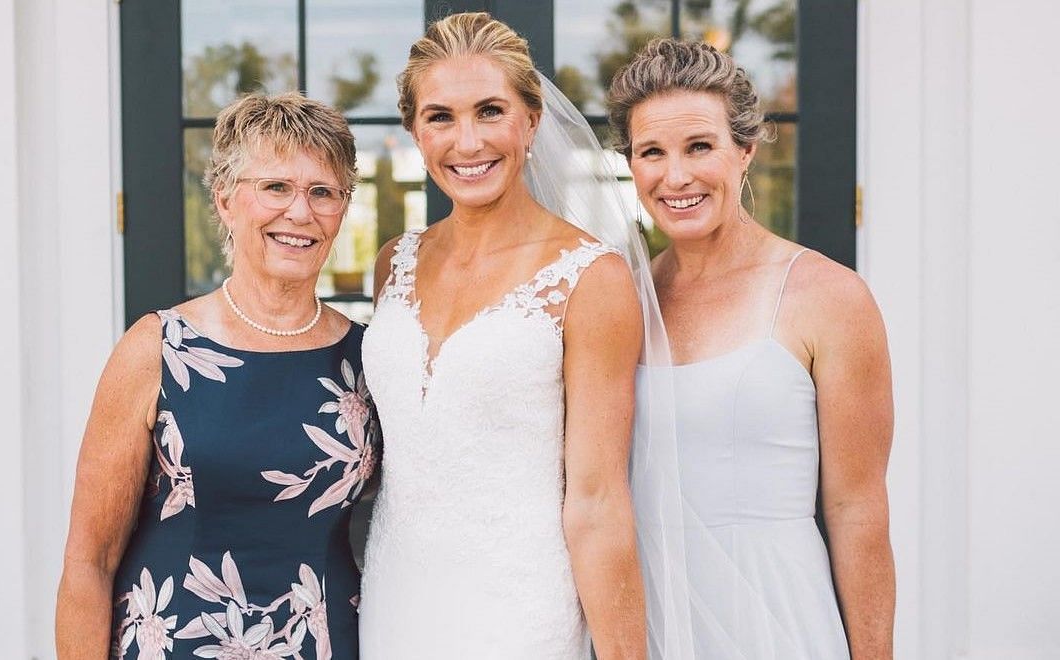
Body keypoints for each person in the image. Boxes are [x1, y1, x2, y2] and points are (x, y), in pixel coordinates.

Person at [358, 12, 647, 660]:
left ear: (531, 121)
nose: (467, 142)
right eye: (441, 117)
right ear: (414, 131)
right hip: (396, 602)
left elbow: (598, 500)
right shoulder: (393, 263)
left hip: (523, 611)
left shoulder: (590, 278)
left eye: (490, 111)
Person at [55, 92, 376, 659]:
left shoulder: (367, 359)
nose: (300, 213)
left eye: (323, 192)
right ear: (226, 200)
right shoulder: (158, 349)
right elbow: (89, 561)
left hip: (325, 645)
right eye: (275, 187)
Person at [608, 38, 896, 659]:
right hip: (649, 616)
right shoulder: (622, 300)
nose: (675, 176)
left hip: (773, 614)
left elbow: (857, 508)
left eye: (699, 147)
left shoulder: (829, 296)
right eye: (651, 152)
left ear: (744, 150)